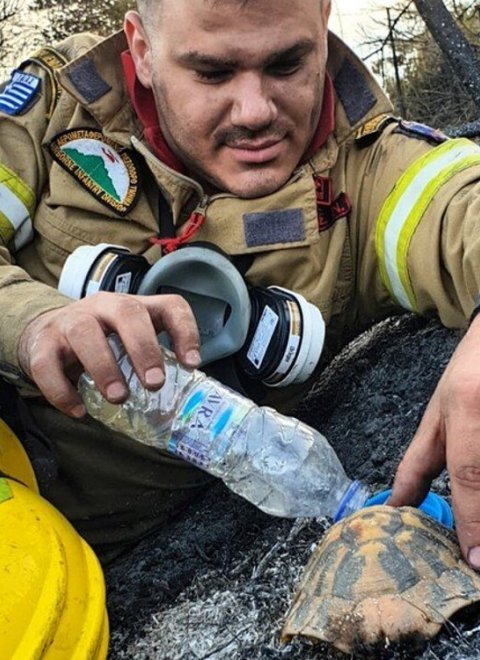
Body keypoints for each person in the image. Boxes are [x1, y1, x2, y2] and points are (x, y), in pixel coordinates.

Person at [0, 0, 479, 567]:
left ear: (323, 23)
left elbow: (462, 205)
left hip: (84, 563)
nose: (255, 111)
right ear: (143, 50)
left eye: (286, 64)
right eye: (213, 72)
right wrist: (32, 321)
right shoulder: (54, 107)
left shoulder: (372, 169)